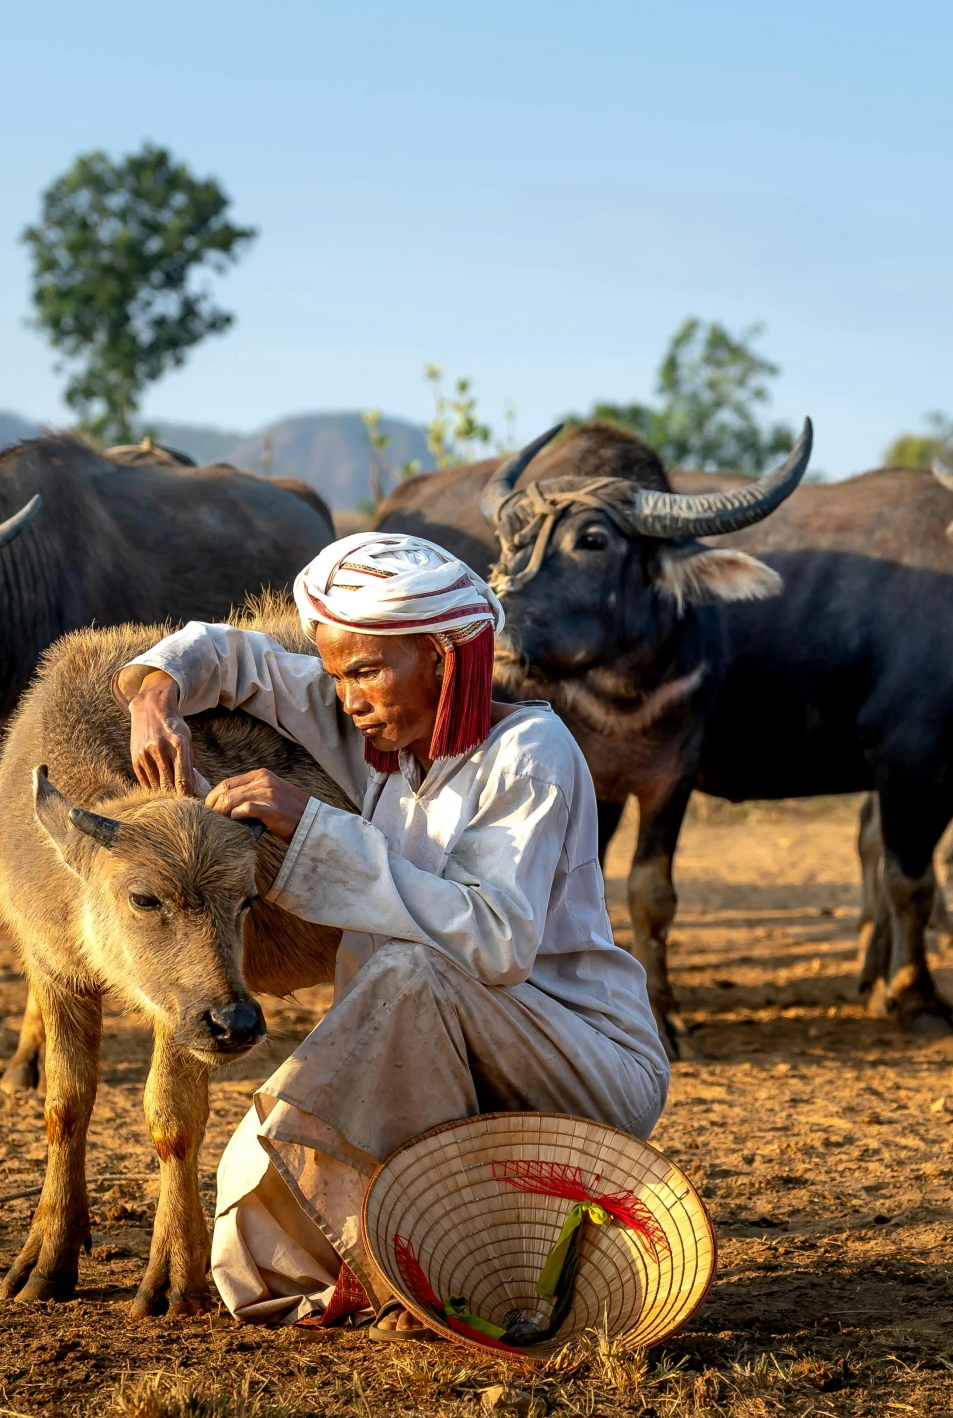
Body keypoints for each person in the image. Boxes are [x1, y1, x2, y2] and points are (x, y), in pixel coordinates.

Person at [118, 532, 670, 1333]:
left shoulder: (530, 755)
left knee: (415, 974)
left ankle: (437, 1260)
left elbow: (495, 940)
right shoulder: (384, 739)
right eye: (336, 673)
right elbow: (241, 661)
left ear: (444, 659)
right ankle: (402, 1252)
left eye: (367, 670)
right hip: (458, 1053)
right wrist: (156, 695)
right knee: (250, 1209)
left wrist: (311, 827)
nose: (346, 696)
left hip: (586, 1060)